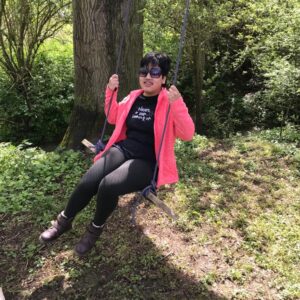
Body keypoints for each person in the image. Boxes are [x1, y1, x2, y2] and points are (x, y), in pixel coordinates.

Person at [39, 52, 195, 256]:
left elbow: (187, 134)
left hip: (148, 161)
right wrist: (110, 91)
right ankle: (63, 222)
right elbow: (113, 116)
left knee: (108, 186)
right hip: (123, 149)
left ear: (164, 78)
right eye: (144, 71)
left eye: (155, 72)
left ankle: (94, 230)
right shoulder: (133, 97)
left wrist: (178, 103)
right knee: (89, 181)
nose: (148, 77)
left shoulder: (168, 101)